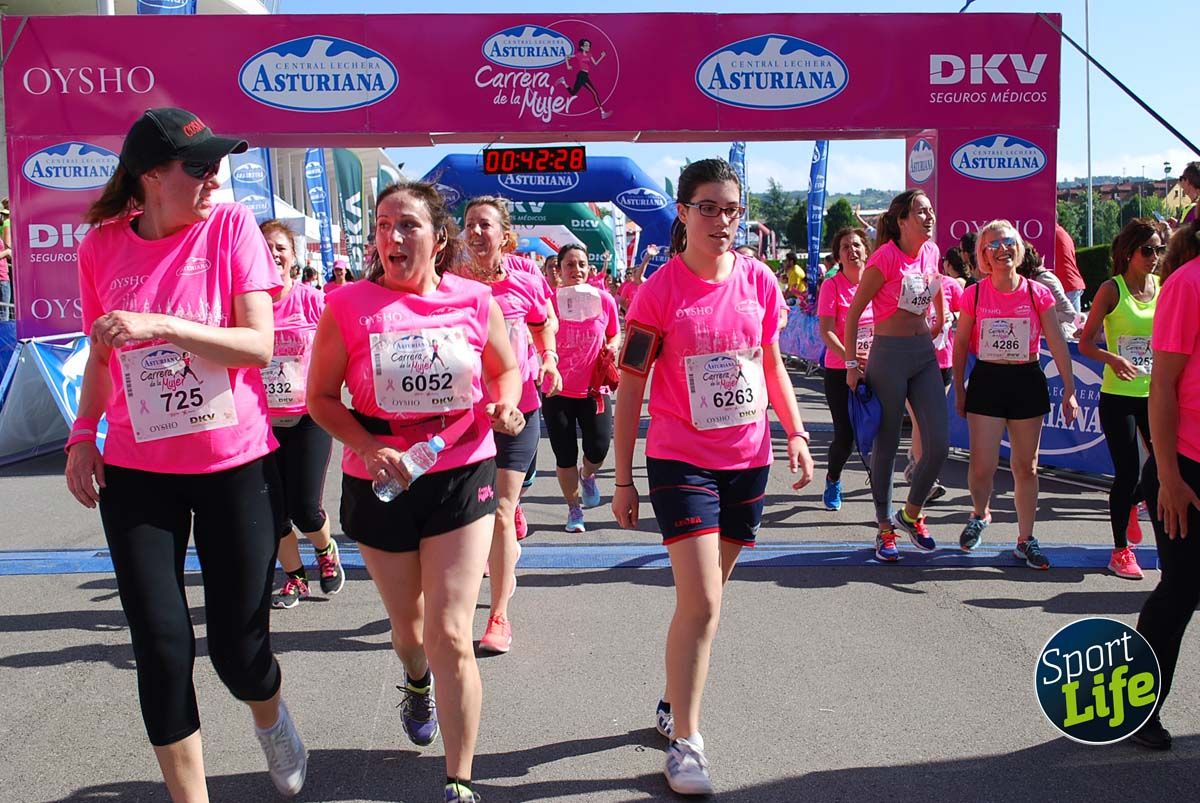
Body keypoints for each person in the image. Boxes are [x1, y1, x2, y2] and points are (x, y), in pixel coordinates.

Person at [64, 107, 306, 800]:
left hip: (234, 466)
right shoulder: (101, 248)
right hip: (140, 472)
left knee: (238, 654)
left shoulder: (232, 228)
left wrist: (163, 324)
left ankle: (271, 716)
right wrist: (84, 433)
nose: (213, 176)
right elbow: (103, 359)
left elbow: (258, 345)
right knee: (164, 647)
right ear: (149, 179)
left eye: (216, 163)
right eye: (197, 166)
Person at [307, 181, 524, 803]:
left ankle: (459, 778)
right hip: (380, 479)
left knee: (453, 631)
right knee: (411, 631)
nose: (392, 238)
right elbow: (320, 397)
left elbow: (504, 367)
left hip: (460, 471)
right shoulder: (347, 304)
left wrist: (505, 403)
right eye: (382, 225)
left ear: (438, 237)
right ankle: (415, 678)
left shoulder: (475, 299)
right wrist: (369, 446)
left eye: (406, 226)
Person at [612, 159, 814, 795]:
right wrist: (623, 478)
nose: (722, 221)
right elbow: (631, 386)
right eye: (708, 208)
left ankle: (674, 698)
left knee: (706, 601)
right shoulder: (660, 291)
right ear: (682, 211)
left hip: (747, 461)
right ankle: (687, 742)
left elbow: (773, 365)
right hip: (681, 458)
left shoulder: (758, 281)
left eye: (731, 209)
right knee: (700, 601)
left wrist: (798, 432)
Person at [459, 196, 563, 654]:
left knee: (499, 510)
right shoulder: (451, 283)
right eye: (469, 225)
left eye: (485, 225)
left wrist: (550, 359)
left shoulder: (526, 277)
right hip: (465, 415)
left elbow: (544, 324)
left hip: (519, 409)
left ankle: (498, 613)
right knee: (472, 514)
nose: (477, 233)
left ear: (505, 234)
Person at [952, 221, 1079, 568]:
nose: (1002, 249)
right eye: (992, 245)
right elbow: (961, 343)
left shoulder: (1037, 292)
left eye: (1008, 242)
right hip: (987, 381)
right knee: (982, 465)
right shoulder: (974, 294)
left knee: (1026, 466)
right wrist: (959, 388)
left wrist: (1070, 390)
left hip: (1026, 379)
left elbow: (1056, 342)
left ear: (1018, 249)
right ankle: (980, 514)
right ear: (983, 256)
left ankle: (1025, 538)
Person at [843, 189, 948, 562]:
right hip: (887, 356)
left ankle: (911, 514)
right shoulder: (884, 258)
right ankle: (885, 529)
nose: (929, 216)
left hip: (923, 356)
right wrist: (852, 366)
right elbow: (855, 314)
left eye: (931, 210)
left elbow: (934, 289)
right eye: (921, 211)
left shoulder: (932, 252)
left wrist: (940, 318)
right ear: (902, 220)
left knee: (939, 443)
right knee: (886, 446)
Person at [1132, 217, 1200, 751]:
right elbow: (1162, 387)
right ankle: (1138, 709)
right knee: (1180, 588)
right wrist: (1170, 477)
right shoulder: (1187, 284)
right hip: (1187, 468)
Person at [257, 219, 344, 608]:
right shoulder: (243, 303)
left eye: (280, 247)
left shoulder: (311, 299)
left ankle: (326, 551)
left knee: (306, 509)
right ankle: (295, 579)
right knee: (274, 513)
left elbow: (340, 343)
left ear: (294, 257)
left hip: (309, 417)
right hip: (259, 422)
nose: (273, 253)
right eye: (265, 247)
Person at [1078, 218, 1164, 580]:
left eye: (1160, 250)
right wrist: (1113, 358)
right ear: (1129, 253)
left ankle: (1131, 504)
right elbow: (1085, 342)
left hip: (1155, 394)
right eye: (1148, 250)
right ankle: (1120, 551)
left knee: (1165, 467)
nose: (1155, 257)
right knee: (1127, 471)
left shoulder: (1162, 287)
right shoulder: (1112, 290)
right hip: (1118, 395)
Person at [544, 244, 620, 531]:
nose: (576, 270)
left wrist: (612, 346)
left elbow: (614, 332)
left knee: (598, 449)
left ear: (589, 269)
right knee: (564, 456)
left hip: (594, 390)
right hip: (556, 391)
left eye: (582, 264)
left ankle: (588, 476)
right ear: (559, 270)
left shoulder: (604, 300)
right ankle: (574, 510)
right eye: (570, 265)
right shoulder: (549, 302)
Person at [817, 227, 874, 511]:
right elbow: (826, 331)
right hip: (840, 370)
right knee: (846, 437)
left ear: (866, 249)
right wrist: (852, 358)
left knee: (879, 431)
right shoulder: (832, 285)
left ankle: (881, 491)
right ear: (838, 256)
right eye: (845, 247)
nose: (852, 251)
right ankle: (833, 478)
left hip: (877, 369)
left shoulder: (877, 282)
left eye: (856, 245)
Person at [1019, 241, 1078, 341]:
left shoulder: (1044, 280)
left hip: (1060, 339)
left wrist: (1039, 319)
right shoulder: (1030, 279)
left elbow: (1069, 313)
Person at [554, 38, 612, 119]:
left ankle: (563, 81)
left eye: (589, 45)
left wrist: (602, 56)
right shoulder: (579, 54)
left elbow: (595, 63)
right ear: (582, 47)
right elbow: (567, 56)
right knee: (594, 93)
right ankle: (602, 112)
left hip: (585, 75)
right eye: (586, 45)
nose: (588, 47)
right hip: (582, 75)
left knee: (573, 93)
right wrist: (568, 66)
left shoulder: (590, 54)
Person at [1053, 221, 1086, 314]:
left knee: (1070, 326)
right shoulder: (1062, 233)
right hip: (1070, 284)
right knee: (1073, 325)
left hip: (1065, 285)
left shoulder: (1051, 233)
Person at [1174, 161, 1199, 225]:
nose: (1179, 183)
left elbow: (1186, 233)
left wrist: (1167, 228)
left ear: (1187, 180)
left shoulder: (1194, 208)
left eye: (1181, 178)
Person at [0, 200, 10, 322]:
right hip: (2, 278)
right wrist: (7, 252)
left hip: (3, 276)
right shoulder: (7, 224)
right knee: (4, 312)